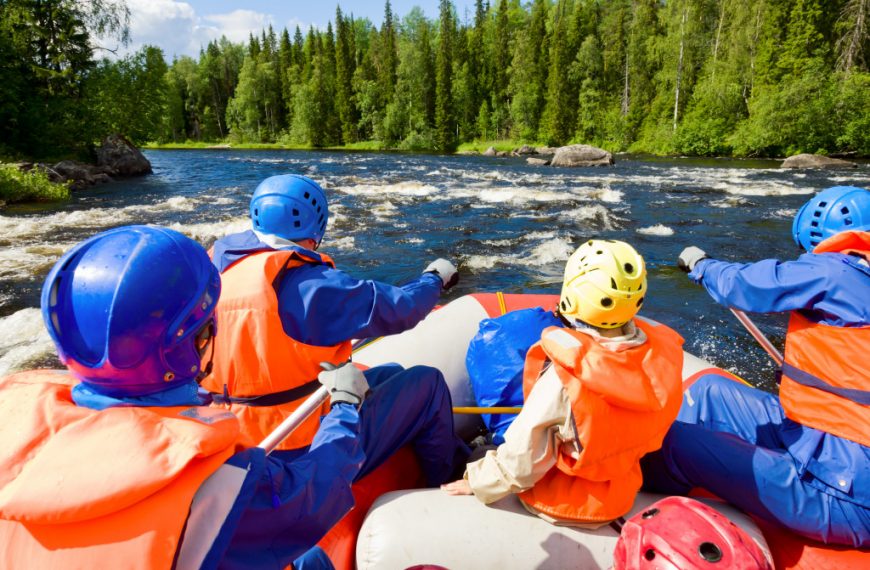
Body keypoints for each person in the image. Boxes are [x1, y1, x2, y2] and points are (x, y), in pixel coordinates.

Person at [0, 225, 386, 568]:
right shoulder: (218, 481)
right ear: (193, 343)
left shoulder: (13, 423)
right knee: (314, 560)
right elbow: (316, 496)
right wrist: (346, 405)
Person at [646, 185, 870, 547]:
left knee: (673, 442)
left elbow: (746, 285)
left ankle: (624, 496)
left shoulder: (835, 274)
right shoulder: (858, 276)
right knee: (709, 392)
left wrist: (702, 266)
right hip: (818, 436)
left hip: (847, 490)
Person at [442, 240, 685, 528]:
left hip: (558, 501)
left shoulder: (564, 376)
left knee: (476, 456)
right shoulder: (662, 356)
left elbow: (522, 461)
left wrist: (477, 481)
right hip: (619, 491)